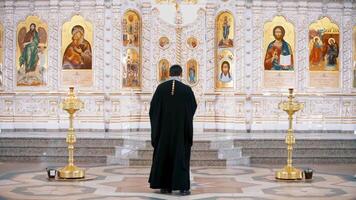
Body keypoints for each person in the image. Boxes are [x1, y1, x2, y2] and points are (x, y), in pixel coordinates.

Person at [149, 64, 197, 195]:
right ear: (181, 74)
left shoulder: (160, 89)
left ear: (169, 74)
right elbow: (192, 107)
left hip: (163, 132)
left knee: (163, 155)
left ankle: (164, 186)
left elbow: (153, 110)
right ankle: (182, 187)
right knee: (180, 156)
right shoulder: (186, 90)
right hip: (180, 132)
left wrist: (158, 126)